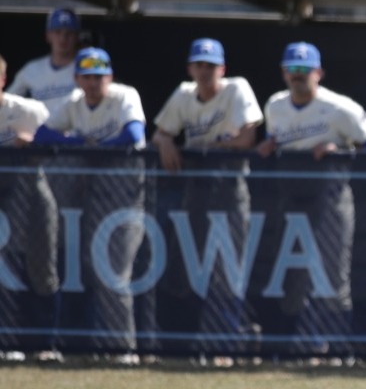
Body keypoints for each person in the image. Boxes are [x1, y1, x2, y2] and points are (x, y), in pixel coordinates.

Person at [258, 42, 366, 356]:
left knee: (332, 276)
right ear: (284, 73)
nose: (298, 76)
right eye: (292, 70)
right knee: (289, 276)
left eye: (304, 70)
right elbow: (275, 139)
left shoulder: (340, 108)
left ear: (319, 73)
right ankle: (291, 349)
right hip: (290, 199)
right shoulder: (275, 106)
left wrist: (340, 151)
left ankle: (337, 350)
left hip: (331, 198)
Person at [150, 38, 262, 361]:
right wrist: (166, 142)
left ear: (222, 69)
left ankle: (224, 345)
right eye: (199, 65)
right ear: (190, 68)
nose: (204, 71)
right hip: (196, 189)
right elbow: (160, 132)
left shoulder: (236, 89)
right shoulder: (185, 94)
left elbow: (246, 138)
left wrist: (207, 149)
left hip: (229, 188)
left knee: (227, 269)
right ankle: (186, 346)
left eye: (211, 66)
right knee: (186, 266)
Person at [33, 48, 148, 363]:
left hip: (126, 199)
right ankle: (103, 345)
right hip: (94, 199)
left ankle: (124, 349)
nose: (94, 82)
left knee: (115, 273)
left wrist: (96, 149)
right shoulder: (74, 102)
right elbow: (42, 134)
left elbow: (134, 133)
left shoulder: (124, 96)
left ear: (109, 77)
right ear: (77, 79)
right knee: (95, 271)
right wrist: (79, 144)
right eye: (88, 76)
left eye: (99, 76)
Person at [0, 53, 56, 360]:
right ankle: (8, 344)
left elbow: (58, 131)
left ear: (3, 80)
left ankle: (44, 345)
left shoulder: (26, 110)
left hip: (30, 194)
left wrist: (34, 140)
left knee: (41, 268)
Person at [7, 8, 85, 117]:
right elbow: (7, 101)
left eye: (69, 33)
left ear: (77, 36)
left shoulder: (86, 67)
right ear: (48, 35)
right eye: (57, 32)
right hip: (42, 131)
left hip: (75, 131)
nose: (63, 38)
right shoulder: (32, 69)